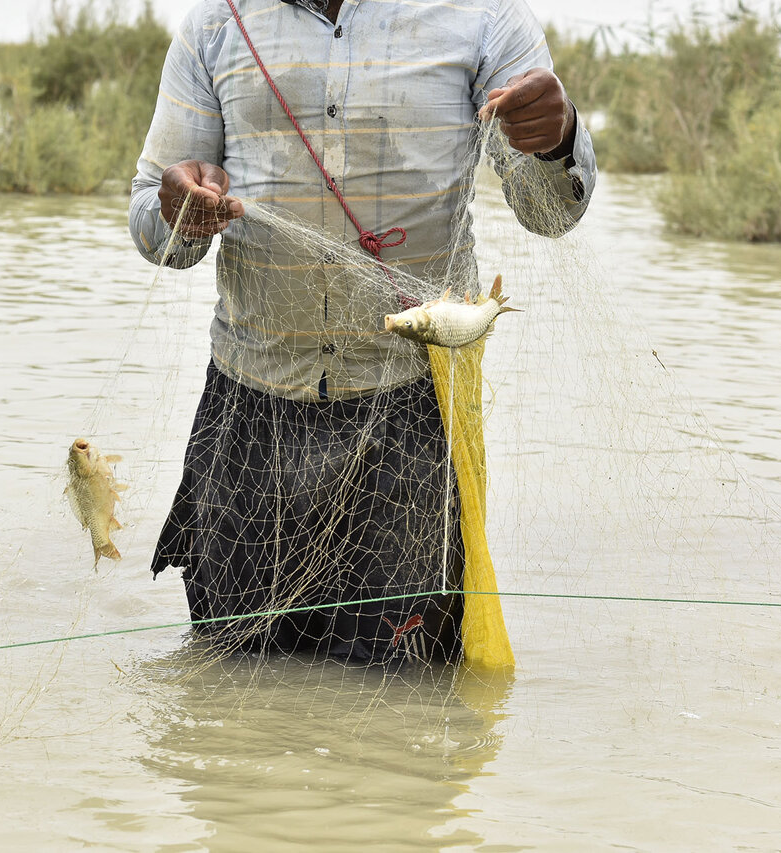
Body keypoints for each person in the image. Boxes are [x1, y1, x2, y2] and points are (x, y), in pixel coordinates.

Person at [129, 0, 596, 665]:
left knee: (406, 700)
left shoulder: (486, 18)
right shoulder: (215, 23)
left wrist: (558, 138)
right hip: (246, 414)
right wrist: (175, 206)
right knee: (229, 698)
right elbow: (158, 229)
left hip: (412, 416)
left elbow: (549, 213)